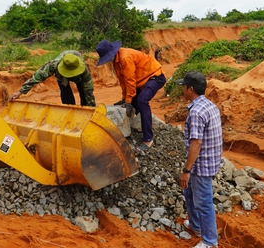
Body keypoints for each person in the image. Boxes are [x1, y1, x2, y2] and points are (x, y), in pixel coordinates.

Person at [176, 71, 222, 248]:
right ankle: (196, 226)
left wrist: (186, 171)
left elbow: (196, 143)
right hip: (209, 160)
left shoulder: (195, 111)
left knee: (203, 202)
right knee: (190, 193)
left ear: (190, 89)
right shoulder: (210, 105)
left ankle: (210, 241)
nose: (183, 90)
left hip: (201, 165)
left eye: (184, 87)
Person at [95, 39, 165, 152]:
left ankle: (148, 139)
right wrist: (125, 100)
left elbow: (130, 80)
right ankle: (137, 124)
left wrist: (128, 101)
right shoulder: (116, 61)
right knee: (134, 101)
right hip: (142, 81)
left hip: (155, 77)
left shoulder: (125, 57)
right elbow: (123, 81)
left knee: (142, 100)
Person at [10, 50, 96, 107]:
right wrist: (20, 92)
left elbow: (88, 90)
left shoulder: (83, 69)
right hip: (62, 77)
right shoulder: (53, 65)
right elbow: (37, 77)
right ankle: (69, 114)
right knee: (66, 95)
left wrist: (91, 108)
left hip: (79, 77)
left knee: (84, 95)